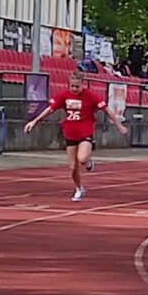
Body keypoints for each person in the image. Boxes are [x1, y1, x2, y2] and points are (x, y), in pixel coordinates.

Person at [23, 70, 128, 201]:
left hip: (85, 132)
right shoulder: (64, 95)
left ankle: (88, 160)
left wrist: (119, 126)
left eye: (77, 86)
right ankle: (79, 188)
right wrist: (34, 122)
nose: (74, 89)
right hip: (70, 133)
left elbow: (107, 110)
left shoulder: (89, 96)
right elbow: (50, 109)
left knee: (82, 159)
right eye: (72, 86)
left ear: (82, 84)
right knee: (73, 167)